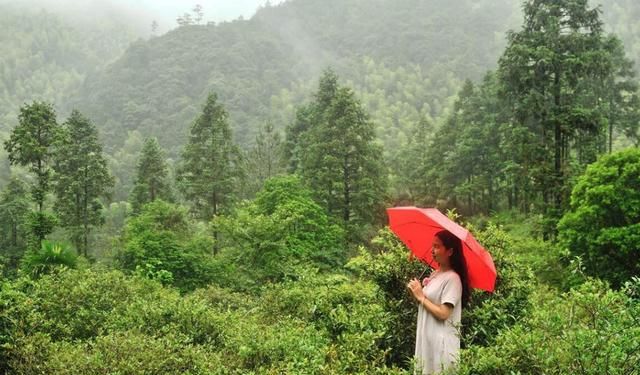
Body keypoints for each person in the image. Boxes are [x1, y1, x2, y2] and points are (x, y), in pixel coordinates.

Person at [407, 229, 470, 375]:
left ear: (450, 251)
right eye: (432, 246)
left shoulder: (453, 279)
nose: (432, 250)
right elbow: (425, 305)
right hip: (427, 340)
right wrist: (416, 293)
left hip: (440, 345)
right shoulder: (435, 274)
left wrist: (421, 297)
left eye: (437, 246)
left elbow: (444, 313)